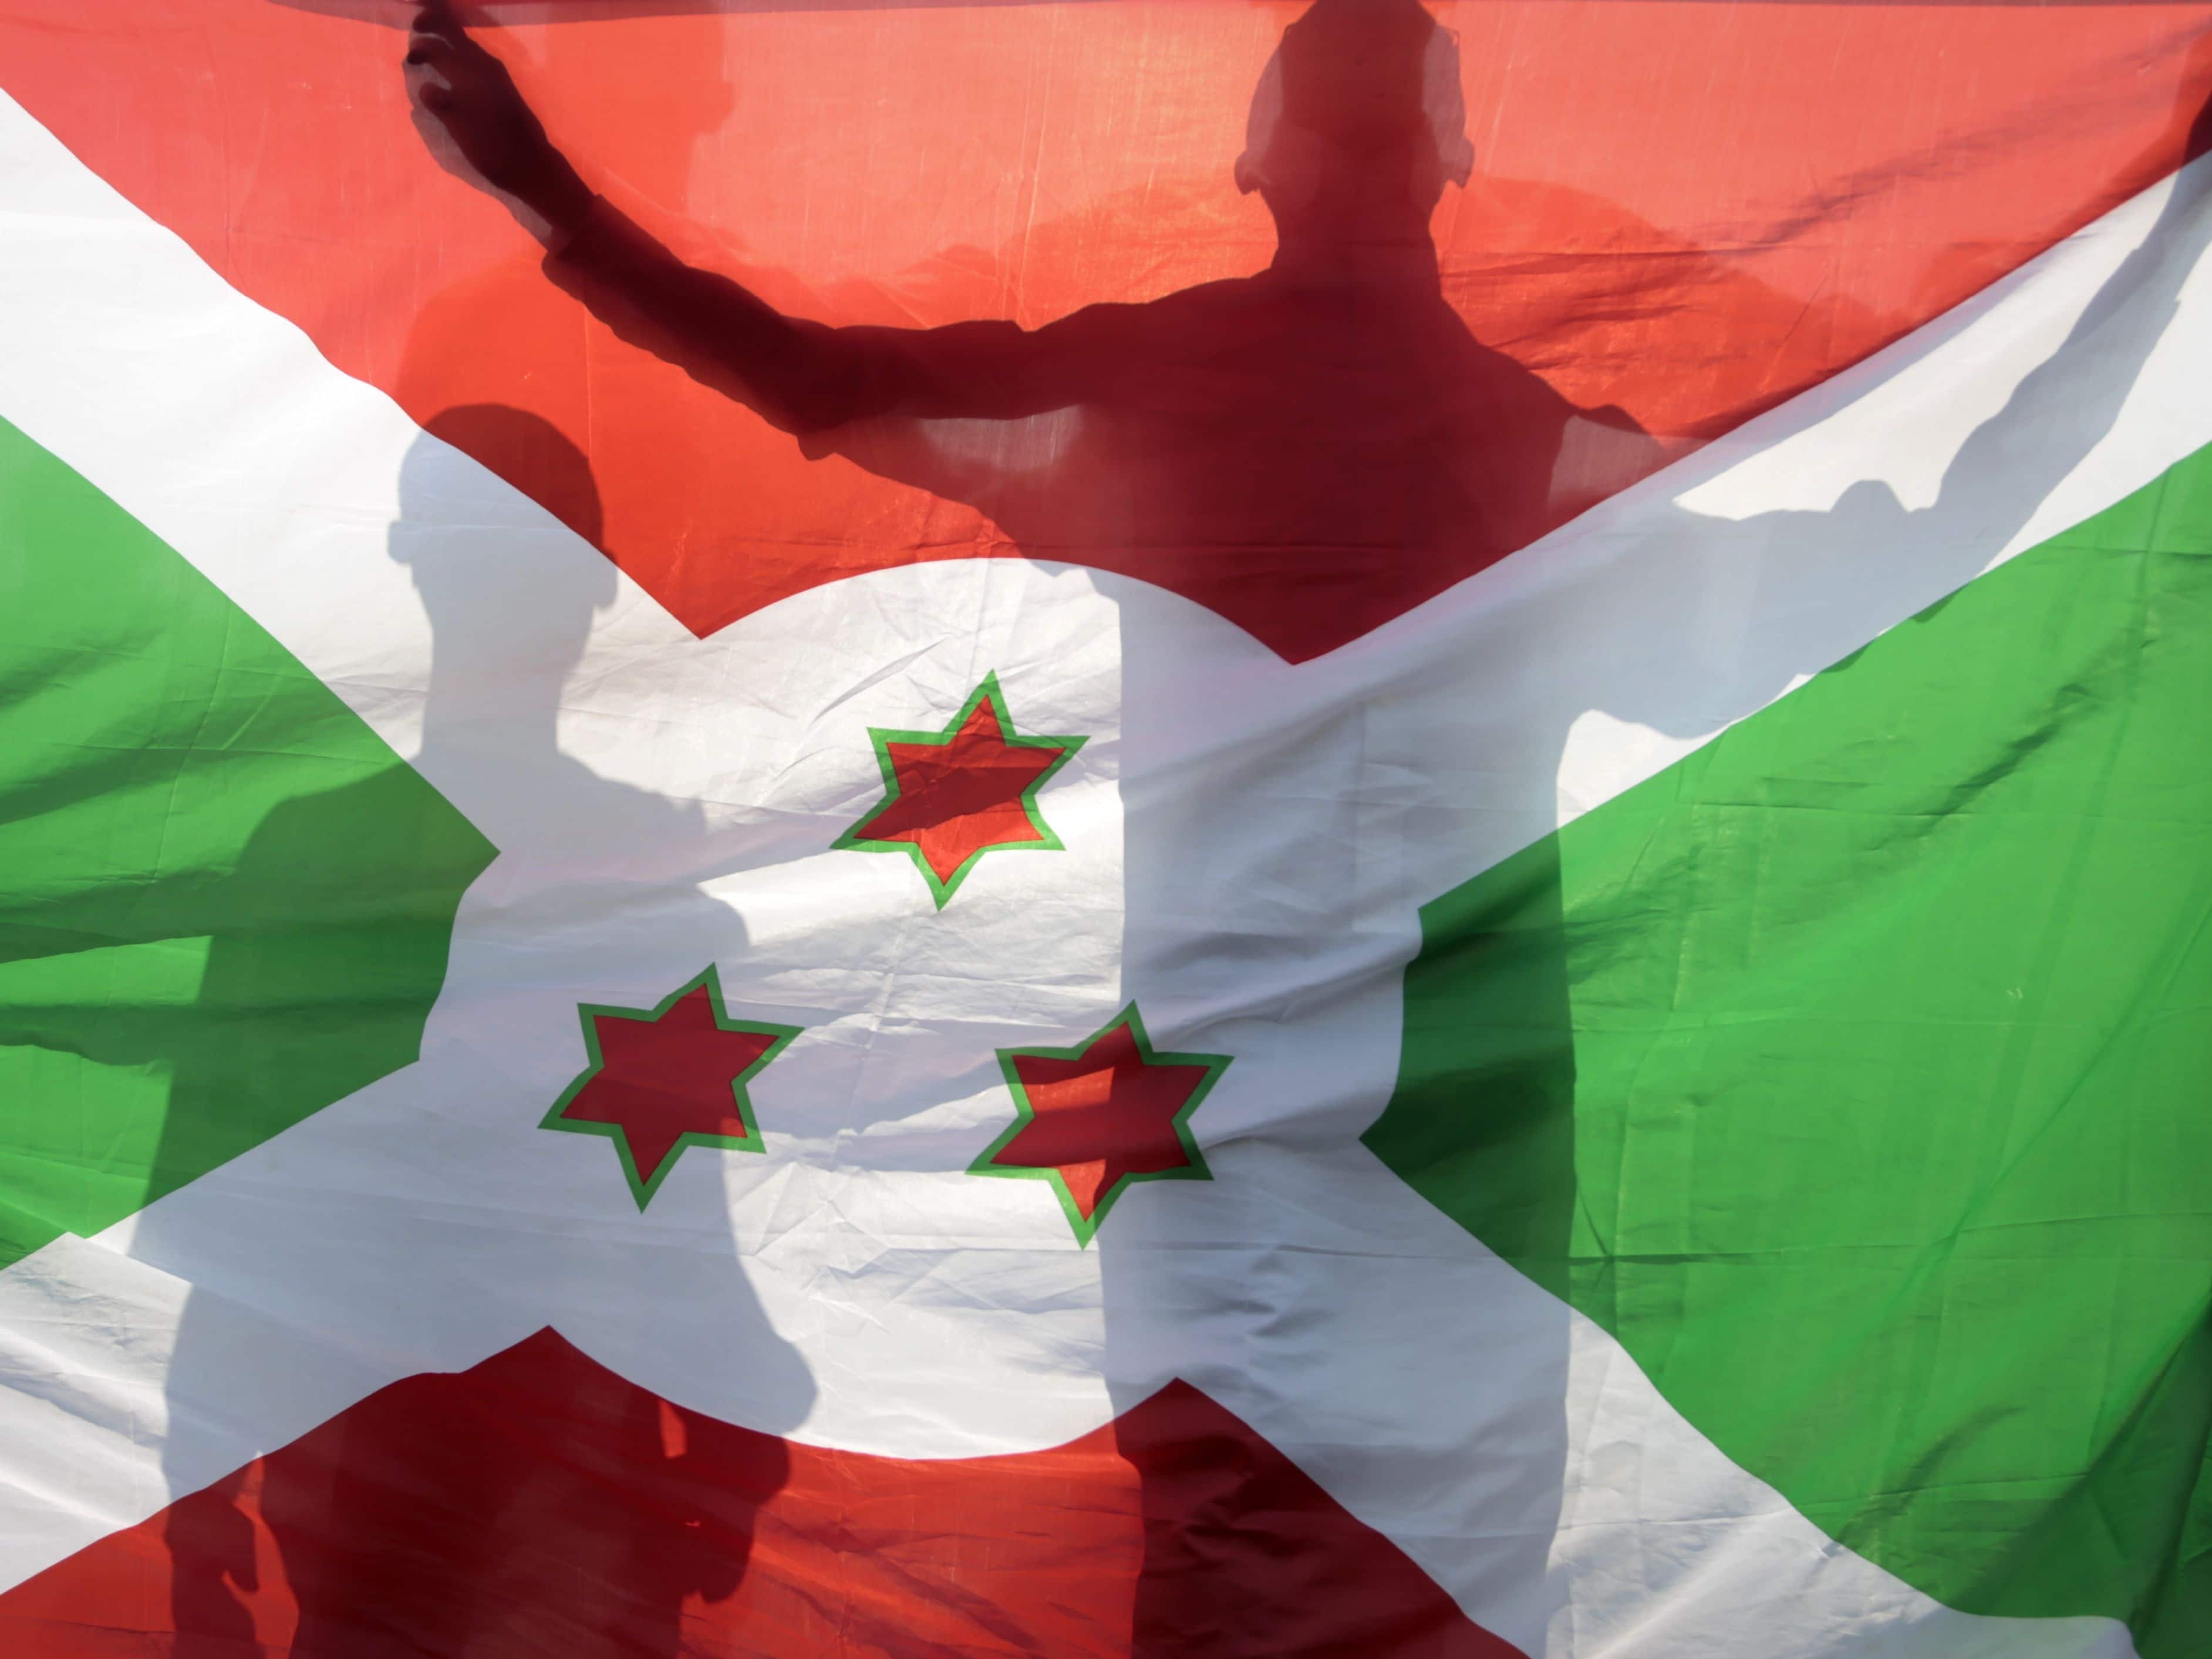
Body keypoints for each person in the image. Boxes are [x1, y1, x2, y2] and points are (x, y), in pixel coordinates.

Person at [403, 0, 1657, 665]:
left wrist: (547, 196)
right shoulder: (1562, 461)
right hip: (1447, 1083)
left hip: (1199, 1054)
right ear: (1459, 159)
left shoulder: (1134, 391)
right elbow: (1765, 586)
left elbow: (813, 377)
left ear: (1257, 162)